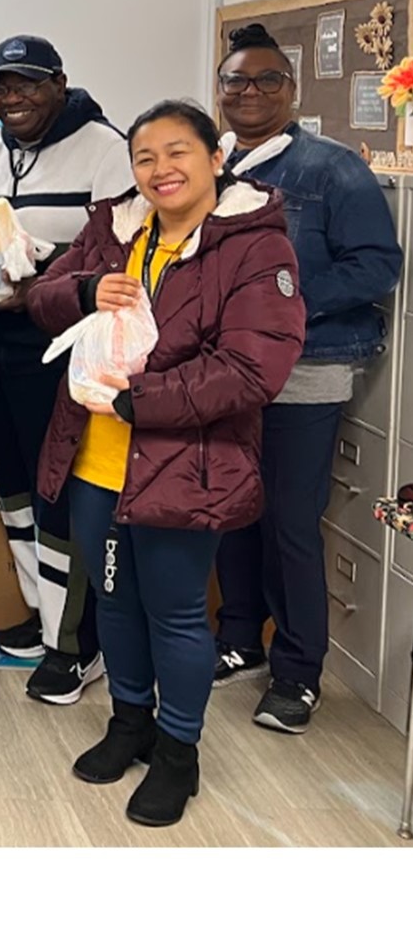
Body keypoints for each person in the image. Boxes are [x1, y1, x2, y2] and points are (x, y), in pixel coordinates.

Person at [29, 99, 303, 826]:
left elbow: (252, 369)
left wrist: (140, 401)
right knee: (113, 600)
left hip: (188, 462)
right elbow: (42, 297)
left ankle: (179, 750)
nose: (161, 170)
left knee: (177, 612)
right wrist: (87, 288)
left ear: (216, 158)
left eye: (178, 152)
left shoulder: (253, 245)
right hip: (98, 461)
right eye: (145, 157)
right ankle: (130, 723)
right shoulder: (116, 227)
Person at [210, 23, 404, 733]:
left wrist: (279, 310)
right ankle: (238, 638)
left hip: (305, 371)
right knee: (230, 508)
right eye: (236, 82)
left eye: (265, 81)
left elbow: (377, 265)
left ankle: (297, 671)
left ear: (290, 89)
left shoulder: (331, 169)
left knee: (291, 523)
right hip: (226, 372)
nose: (249, 93)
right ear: (220, 90)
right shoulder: (214, 163)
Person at [0, 34, 133, 705]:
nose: (11, 97)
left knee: (62, 496)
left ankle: (78, 646)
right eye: (0, 85)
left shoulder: (108, 151)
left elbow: (121, 251)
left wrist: (40, 271)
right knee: (15, 488)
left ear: (59, 83)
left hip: (62, 352)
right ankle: (42, 617)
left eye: (27, 83)